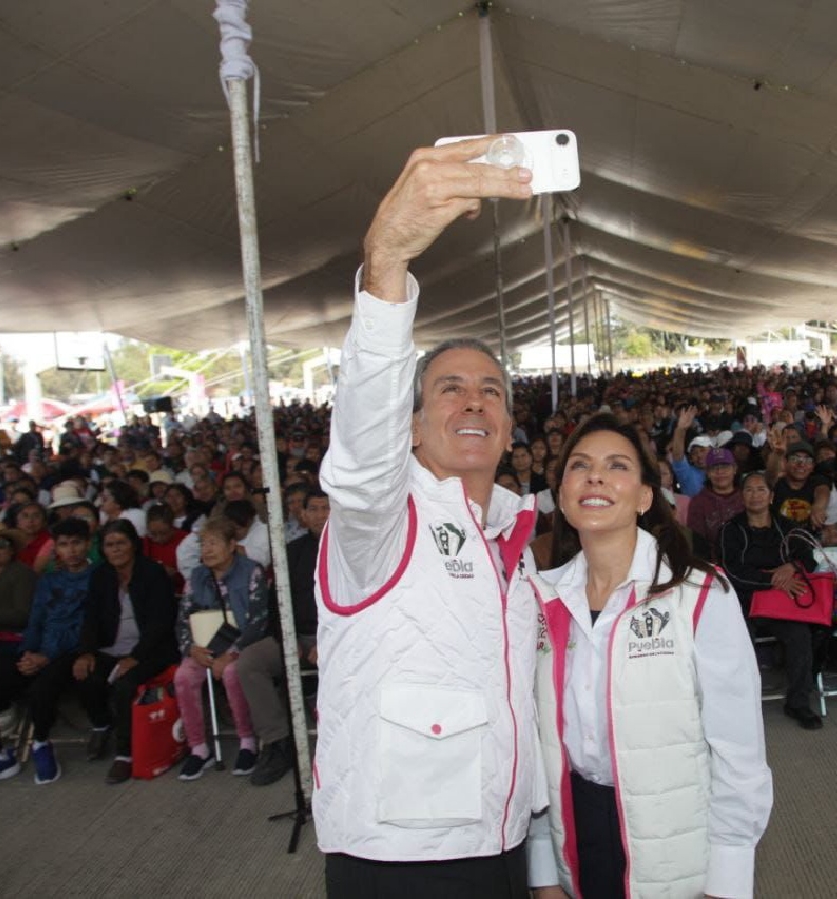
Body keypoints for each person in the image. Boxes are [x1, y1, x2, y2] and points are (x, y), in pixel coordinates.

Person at [314, 136, 540, 897]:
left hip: (500, 838)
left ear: (508, 431)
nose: (474, 400)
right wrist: (386, 270)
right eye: (449, 387)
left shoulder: (515, 534)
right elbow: (358, 462)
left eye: (492, 391)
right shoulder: (380, 523)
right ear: (411, 426)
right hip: (400, 862)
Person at [528, 414, 771, 899]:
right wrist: (542, 870)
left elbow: (738, 746)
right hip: (574, 835)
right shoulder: (538, 598)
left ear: (644, 497)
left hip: (676, 841)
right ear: (561, 493)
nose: (595, 476)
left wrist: (727, 880)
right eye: (580, 466)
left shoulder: (699, 594)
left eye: (617, 465)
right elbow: (535, 746)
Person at [33, 520, 179, 784]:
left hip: (152, 648)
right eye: (110, 545)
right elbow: (91, 619)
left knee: (126, 684)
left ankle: (125, 754)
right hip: (111, 647)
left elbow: (161, 621)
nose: (116, 550)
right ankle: (103, 723)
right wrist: (86, 652)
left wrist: (135, 657)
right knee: (84, 674)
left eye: (121, 543)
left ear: (134, 544)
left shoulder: (152, 573)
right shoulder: (101, 575)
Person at [0, 518, 93, 790]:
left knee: (42, 687)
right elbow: (36, 620)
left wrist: (46, 656)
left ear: (87, 544)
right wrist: (28, 652)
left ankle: (41, 742)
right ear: (57, 550)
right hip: (35, 648)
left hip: (71, 650)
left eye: (76, 543)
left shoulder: (99, 577)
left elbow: (87, 626)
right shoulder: (49, 579)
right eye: (64, 545)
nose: (71, 550)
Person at [236, 489, 329, 787]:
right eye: (313, 508)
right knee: (250, 662)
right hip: (294, 636)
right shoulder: (291, 551)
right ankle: (277, 742)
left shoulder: (350, 550)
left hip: (335, 637)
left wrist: (324, 640)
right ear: (302, 515)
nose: (319, 515)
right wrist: (289, 640)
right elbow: (276, 603)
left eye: (326, 508)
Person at [721, 470, 826, 730]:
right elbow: (732, 571)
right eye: (748, 490)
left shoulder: (788, 527)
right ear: (741, 495)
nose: (754, 495)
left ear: (771, 496)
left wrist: (791, 567)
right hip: (745, 601)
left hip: (782, 604)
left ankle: (798, 702)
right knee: (737, 641)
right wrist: (772, 579)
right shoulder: (731, 530)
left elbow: (809, 559)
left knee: (801, 636)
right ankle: (739, 705)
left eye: (761, 490)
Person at [173, 515, 266, 781]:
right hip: (204, 647)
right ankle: (199, 748)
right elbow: (182, 619)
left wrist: (231, 653)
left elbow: (258, 620)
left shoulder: (252, 571)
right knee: (183, 676)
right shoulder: (196, 576)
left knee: (232, 673)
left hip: (241, 643)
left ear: (232, 545)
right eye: (203, 544)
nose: (207, 550)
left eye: (213, 543)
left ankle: (247, 741)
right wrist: (191, 649)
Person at [0, 522, 37, 658]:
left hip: (12, 642)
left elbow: (24, 617)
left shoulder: (23, 574)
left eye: (1, 545)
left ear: (11, 549)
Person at [686, 447, 744, 561]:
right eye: (714, 468)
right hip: (714, 564)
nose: (720, 472)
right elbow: (698, 542)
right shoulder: (698, 502)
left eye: (725, 467)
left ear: (735, 469)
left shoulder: (746, 496)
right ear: (707, 472)